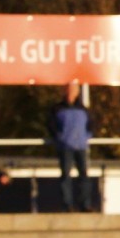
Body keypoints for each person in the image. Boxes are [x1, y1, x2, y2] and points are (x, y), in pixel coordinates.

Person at [47, 80, 93, 212]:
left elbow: (92, 124)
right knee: (66, 176)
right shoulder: (57, 109)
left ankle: (85, 204)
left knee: (83, 175)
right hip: (65, 147)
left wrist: (86, 137)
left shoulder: (83, 109)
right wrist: (60, 137)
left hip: (81, 147)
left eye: (73, 89)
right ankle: (67, 204)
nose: (70, 92)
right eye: (68, 89)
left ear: (77, 92)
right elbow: (51, 125)